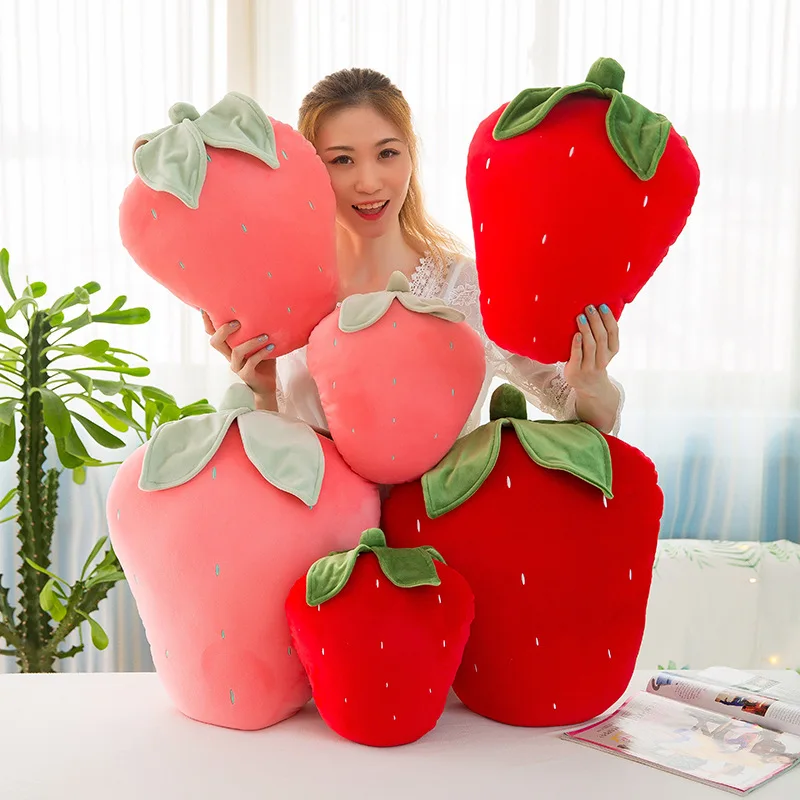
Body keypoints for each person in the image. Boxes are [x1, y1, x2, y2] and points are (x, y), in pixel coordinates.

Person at [204, 68, 624, 435]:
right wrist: (261, 392)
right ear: (312, 168)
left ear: (411, 156)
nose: (369, 182)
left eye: (387, 153)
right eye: (342, 160)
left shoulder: (470, 290)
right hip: (322, 509)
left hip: (450, 506)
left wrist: (591, 381)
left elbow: (588, 416)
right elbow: (277, 462)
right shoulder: (285, 300)